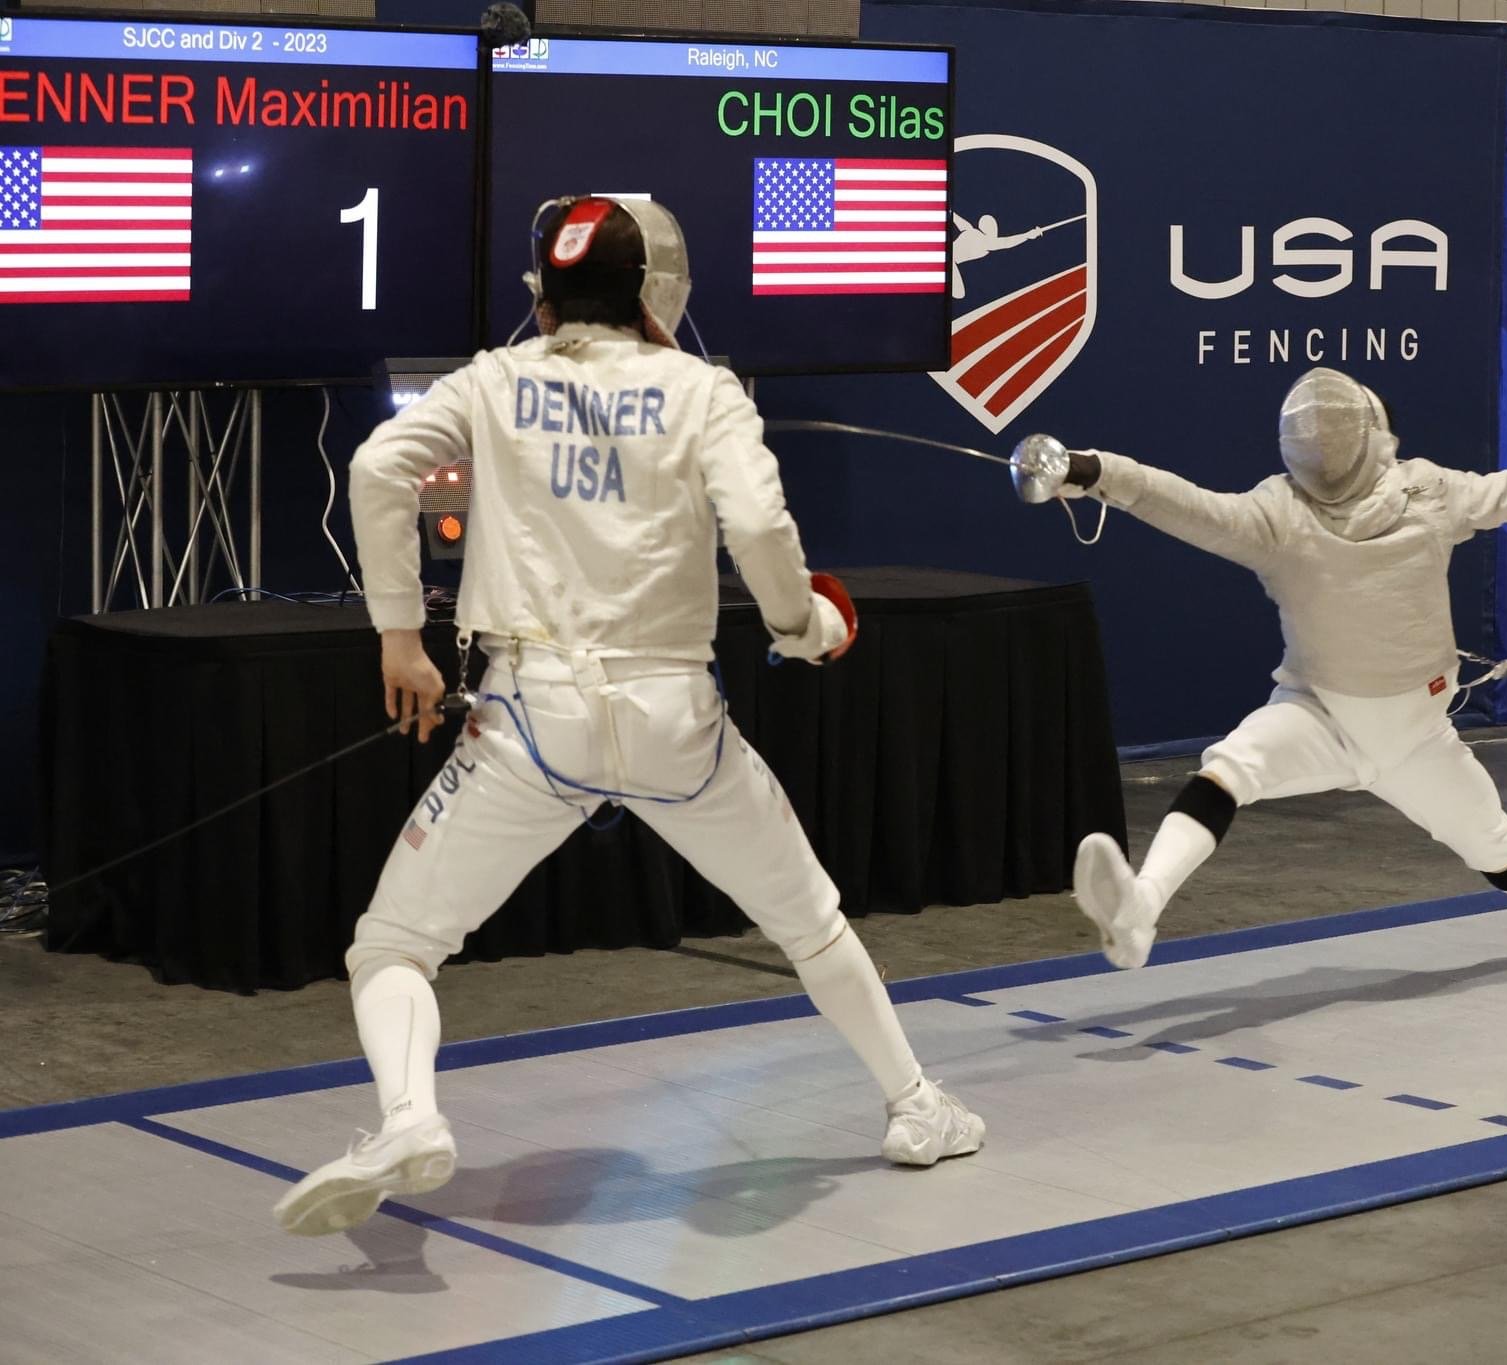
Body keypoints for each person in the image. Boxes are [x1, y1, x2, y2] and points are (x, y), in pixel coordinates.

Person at [274, 195, 983, 1237]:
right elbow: (757, 522)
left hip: (528, 722)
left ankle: (410, 1117)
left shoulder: (493, 378)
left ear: (545, 296)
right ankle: (915, 1106)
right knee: (808, 920)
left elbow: (380, 466)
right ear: (656, 293)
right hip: (674, 722)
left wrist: (398, 638)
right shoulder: (702, 389)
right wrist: (804, 626)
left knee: (395, 945)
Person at [1038, 368, 1507, 969]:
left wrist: (1091, 470)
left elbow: (1176, 502)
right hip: (1336, 716)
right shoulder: (1409, 493)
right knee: (1233, 771)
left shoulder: (1294, 511)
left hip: (1390, 731)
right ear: (1379, 435)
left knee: (1479, 835)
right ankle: (1140, 909)